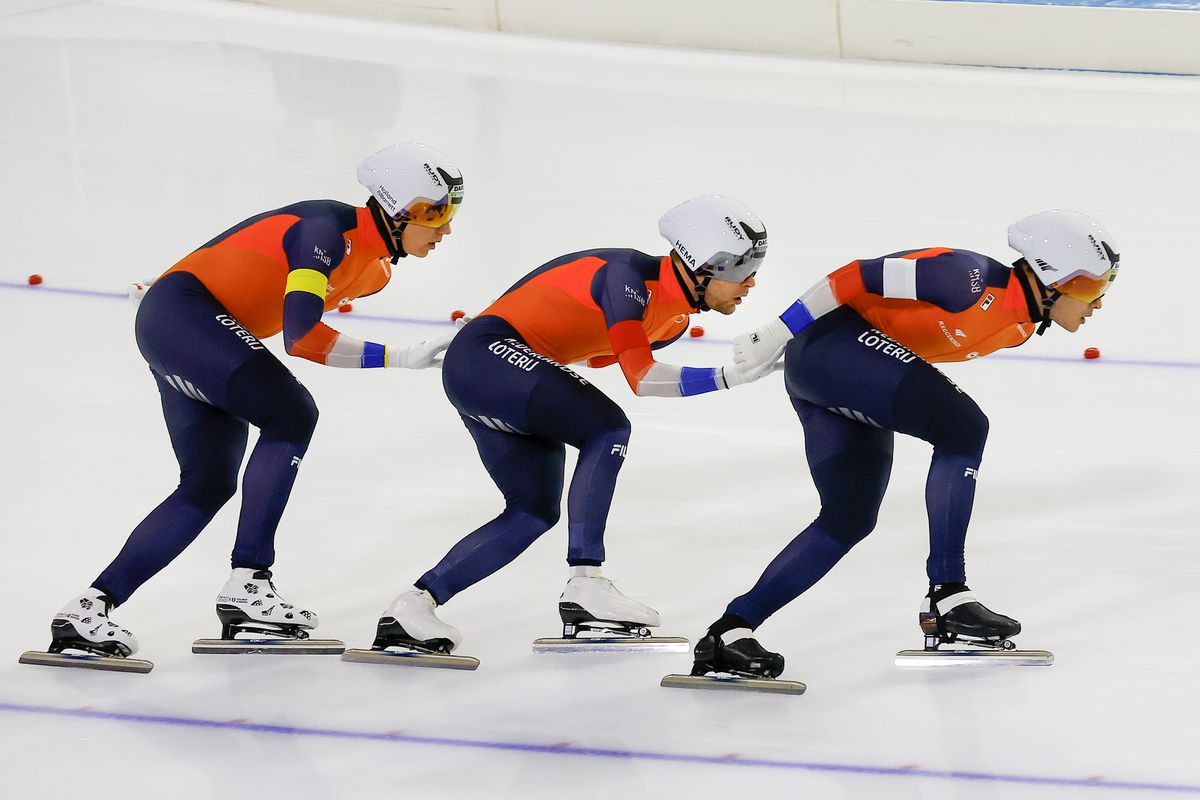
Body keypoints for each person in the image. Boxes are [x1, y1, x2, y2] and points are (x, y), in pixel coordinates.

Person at [41, 143, 465, 663]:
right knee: (292, 413)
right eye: (435, 213)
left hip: (189, 325)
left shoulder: (375, 273)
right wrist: (398, 357)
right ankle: (248, 583)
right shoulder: (325, 231)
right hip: (186, 318)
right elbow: (302, 336)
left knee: (207, 483)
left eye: (450, 214)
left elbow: (247, 257)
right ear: (397, 208)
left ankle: (87, 609)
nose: (445, 229)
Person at [689, 209, 1119, 679]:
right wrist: (778, 331)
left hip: (836, 366)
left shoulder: (1017, 327)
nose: (1097, 302)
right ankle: (949, 593)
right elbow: (852, 277)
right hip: (829, 350)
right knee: (964, 426)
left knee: (849, 517)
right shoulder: (966, 278)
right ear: (1050, 278)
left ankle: (729, 632)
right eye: (1089, 287)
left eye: (1104, 288)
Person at [367, 195, 779, 655]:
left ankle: (414, 605)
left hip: (495, 369)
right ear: (703, 265)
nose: (752, 282)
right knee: (607, 428)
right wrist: (734, 375)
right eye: (742, 269)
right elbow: (641, 379)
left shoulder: (673, 320)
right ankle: (587, 585)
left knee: (533, 511)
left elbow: (601, 356)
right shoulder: (626, 280)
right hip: (489, 355)